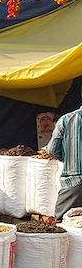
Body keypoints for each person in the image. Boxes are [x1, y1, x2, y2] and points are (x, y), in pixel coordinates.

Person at [46, 89, 82, 219]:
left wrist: (67, 157)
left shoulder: (66, 120)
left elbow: (52, 151)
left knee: (63, 225)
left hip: (74, 181)